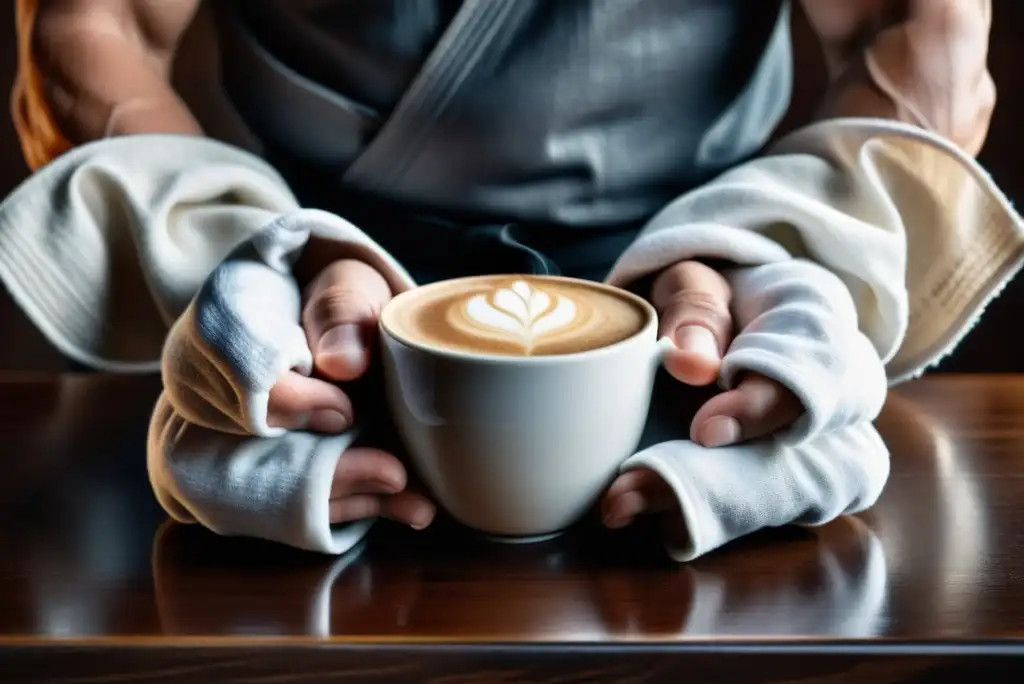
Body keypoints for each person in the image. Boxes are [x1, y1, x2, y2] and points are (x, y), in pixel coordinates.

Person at [3, 0, 1012, 560]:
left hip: (694, 314)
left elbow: (922, 40)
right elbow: (94, 32)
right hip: (308, 331)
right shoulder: (275, 280)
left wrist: (756, 263)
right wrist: (249, 263)